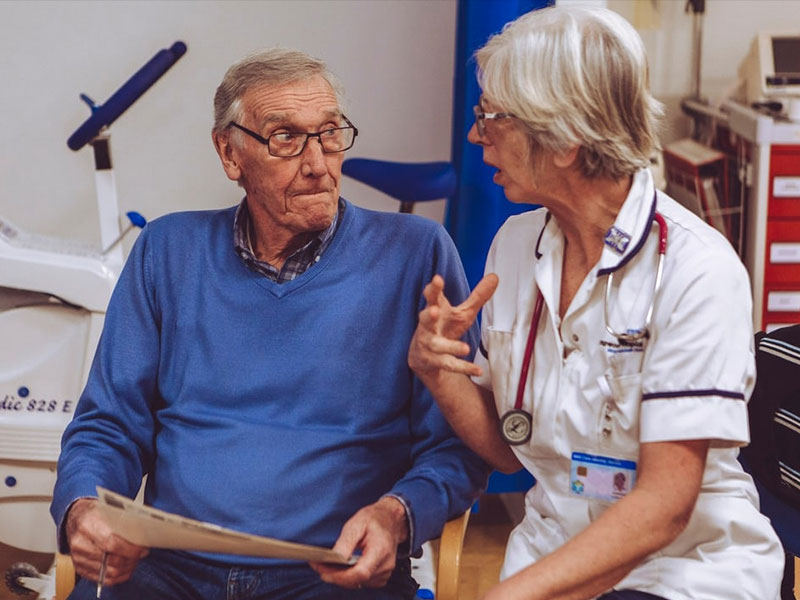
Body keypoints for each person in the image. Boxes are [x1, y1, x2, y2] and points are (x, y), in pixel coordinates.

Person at [51, 48, 487, 600]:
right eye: (286, 138)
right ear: (229, 154)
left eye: (330, 134)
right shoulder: (167, 250)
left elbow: (456, 445)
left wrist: (397, 514)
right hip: (169, 572)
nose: (318, 163)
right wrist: (84, 508)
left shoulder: (416, 254)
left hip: (333, 576)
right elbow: (106, 426)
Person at [408, 6, 784, 600]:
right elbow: (510, 451)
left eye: (492, 117)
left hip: (682, 570)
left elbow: (663, 508)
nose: (477, 134)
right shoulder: (513, 247)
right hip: (552, 556)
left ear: (564, 139)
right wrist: (438, 371)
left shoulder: (695, 270)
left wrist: (511, 595)